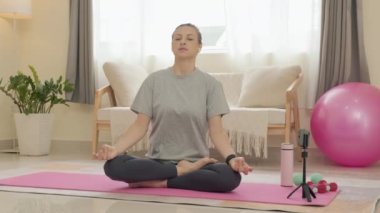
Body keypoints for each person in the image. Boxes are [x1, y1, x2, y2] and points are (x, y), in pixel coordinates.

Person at [93, 23, 253, 192]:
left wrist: (231, 159)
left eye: (189, 39)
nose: (182, 42)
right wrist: (115, 149)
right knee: (113, 166)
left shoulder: (211, 85)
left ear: (199, 47)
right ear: (172, 45)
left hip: (196, 163)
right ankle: (180, 172)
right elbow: (140, 126)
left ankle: (162, 182)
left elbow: (217, 132)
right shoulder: (153, 81)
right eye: (177, 38)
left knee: (230, 177)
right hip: (156, 162)